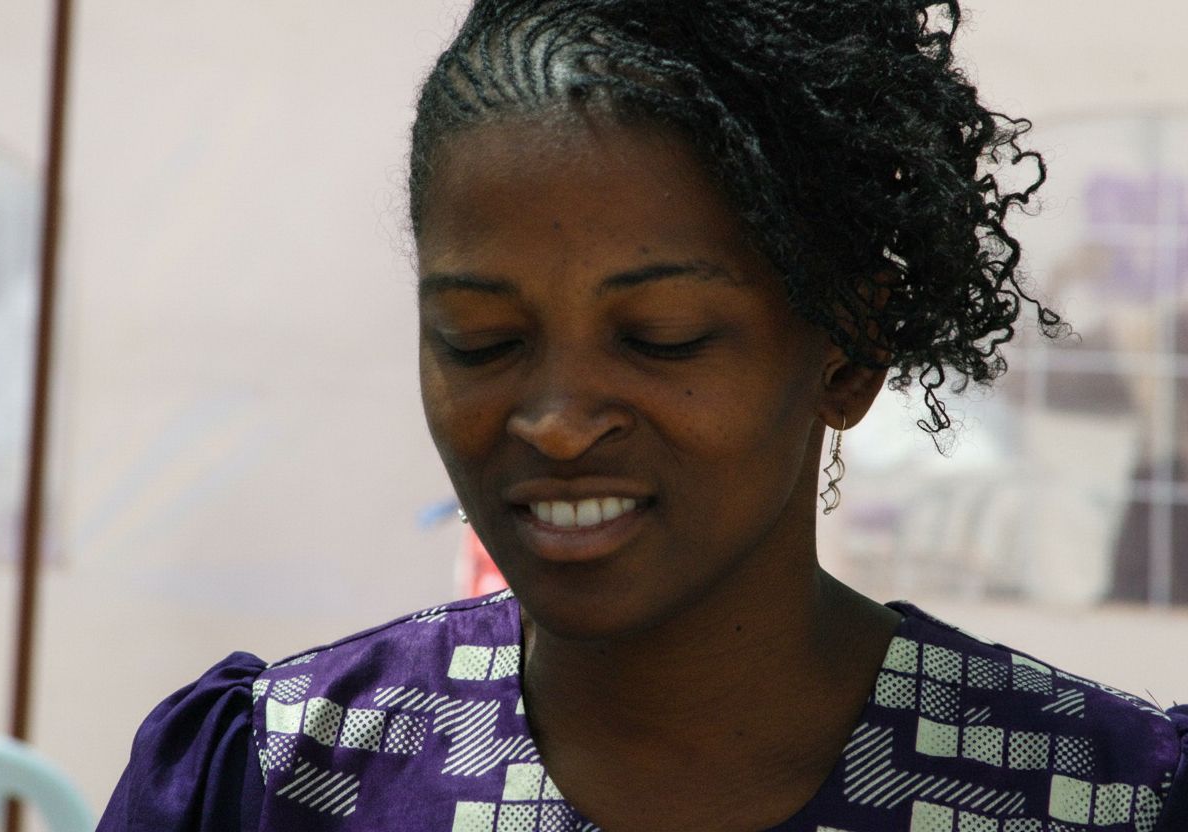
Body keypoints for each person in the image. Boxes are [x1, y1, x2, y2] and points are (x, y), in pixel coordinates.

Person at [96, 1, 1188, 830]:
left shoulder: (1091, 797)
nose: (559, 423)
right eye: (481, 340)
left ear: (849, 348)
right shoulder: (284, 780)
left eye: (662, 335)